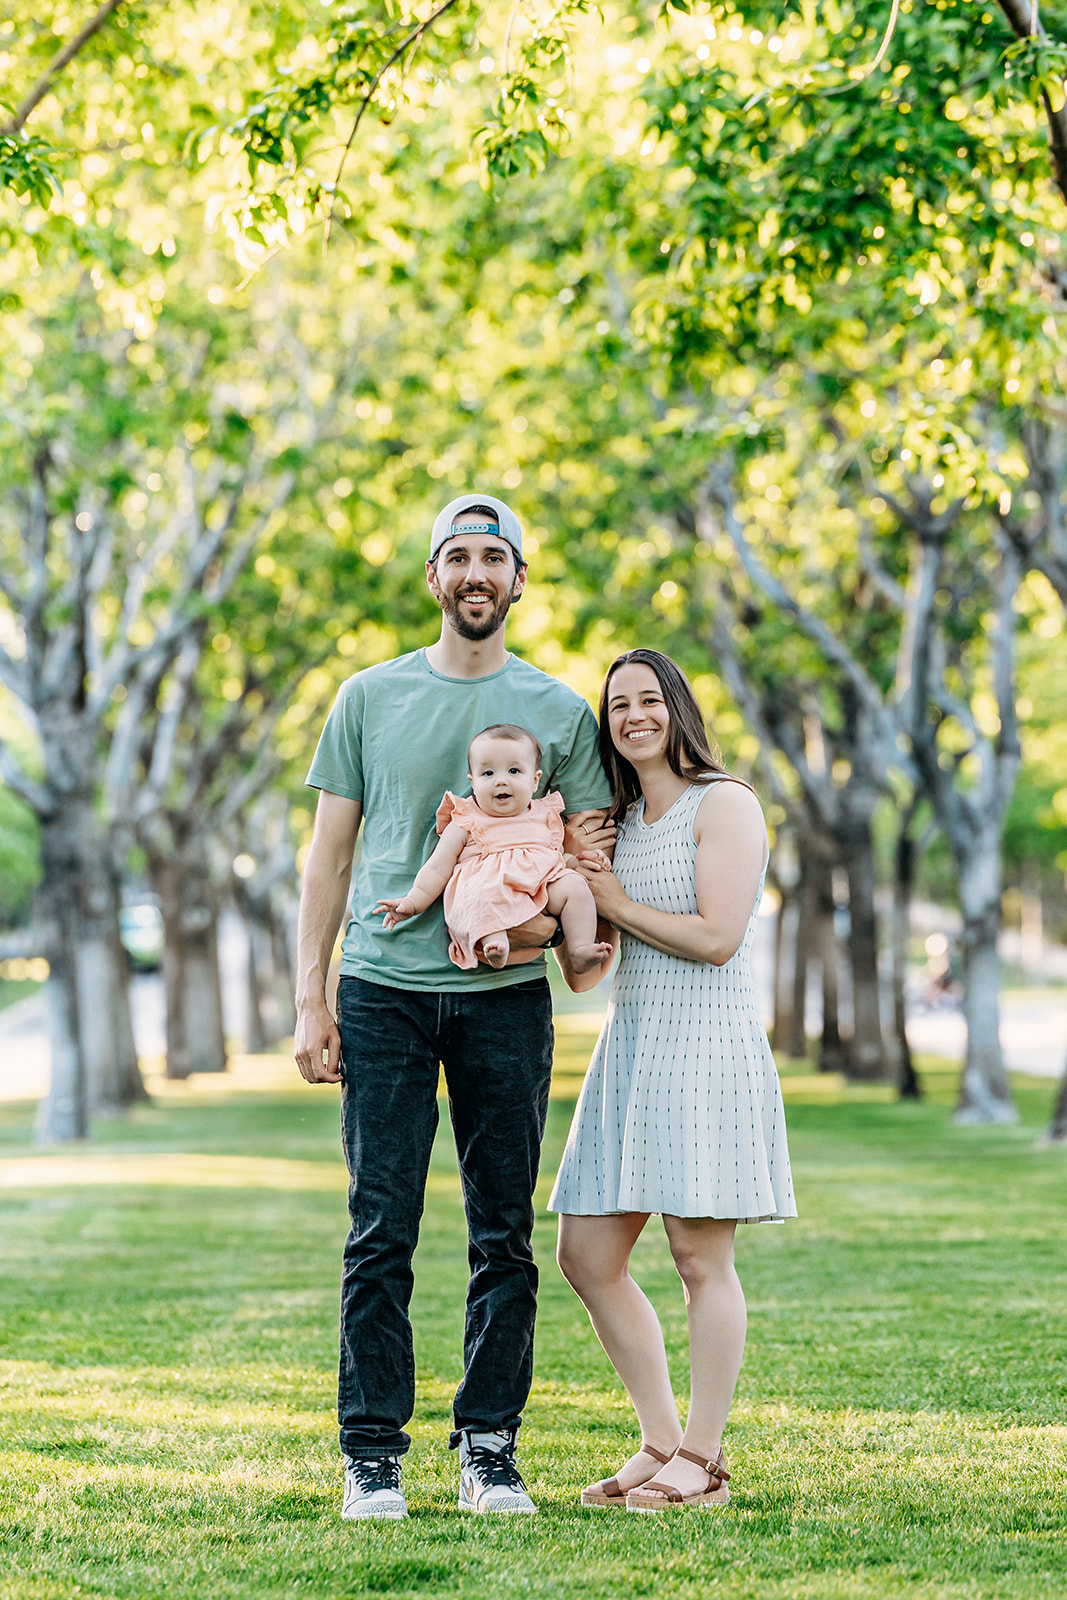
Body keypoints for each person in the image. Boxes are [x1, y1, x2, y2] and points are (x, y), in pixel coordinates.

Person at [294, 493, 614, 1521]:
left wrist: (536, 934)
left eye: (494, 557)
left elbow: (586, 858)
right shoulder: (366, 696)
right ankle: (371, 1453)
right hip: (382, 989)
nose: (475, 574)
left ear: (518, 580)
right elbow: (329, 857)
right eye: (457, 557)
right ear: (432, 578)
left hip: (505, 1005)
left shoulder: (560, 713)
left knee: (500, 1235)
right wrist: (311, 996)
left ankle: (488, 1449)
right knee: (378, 1228)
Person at [549, 648, 796, 1512]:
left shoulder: (723, 804)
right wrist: (561, 903)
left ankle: (704, 1454)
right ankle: (658, 1440)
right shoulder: (614, 822)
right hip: (632, 1047)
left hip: (706, 1047)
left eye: (648, 699)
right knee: (584, 1254)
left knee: (697, 1257)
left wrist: (609, 899)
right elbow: (591, 969)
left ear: (676, 709)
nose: (633, 715)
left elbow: (716, 937)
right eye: (617, 705)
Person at [376, 722, 613, 973]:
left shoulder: (544, 814)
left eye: (513, 771)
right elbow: (437, 868)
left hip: (538, 888)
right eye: (488, 774)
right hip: (488, 891)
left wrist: (581, 862)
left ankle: (580, 948)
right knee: (482, 897)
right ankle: (495, 945)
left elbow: (556, 857)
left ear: (534, 781)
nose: (501, 781)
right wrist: (413, 902)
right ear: (473, 782)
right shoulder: (467, 819)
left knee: (575, 886)